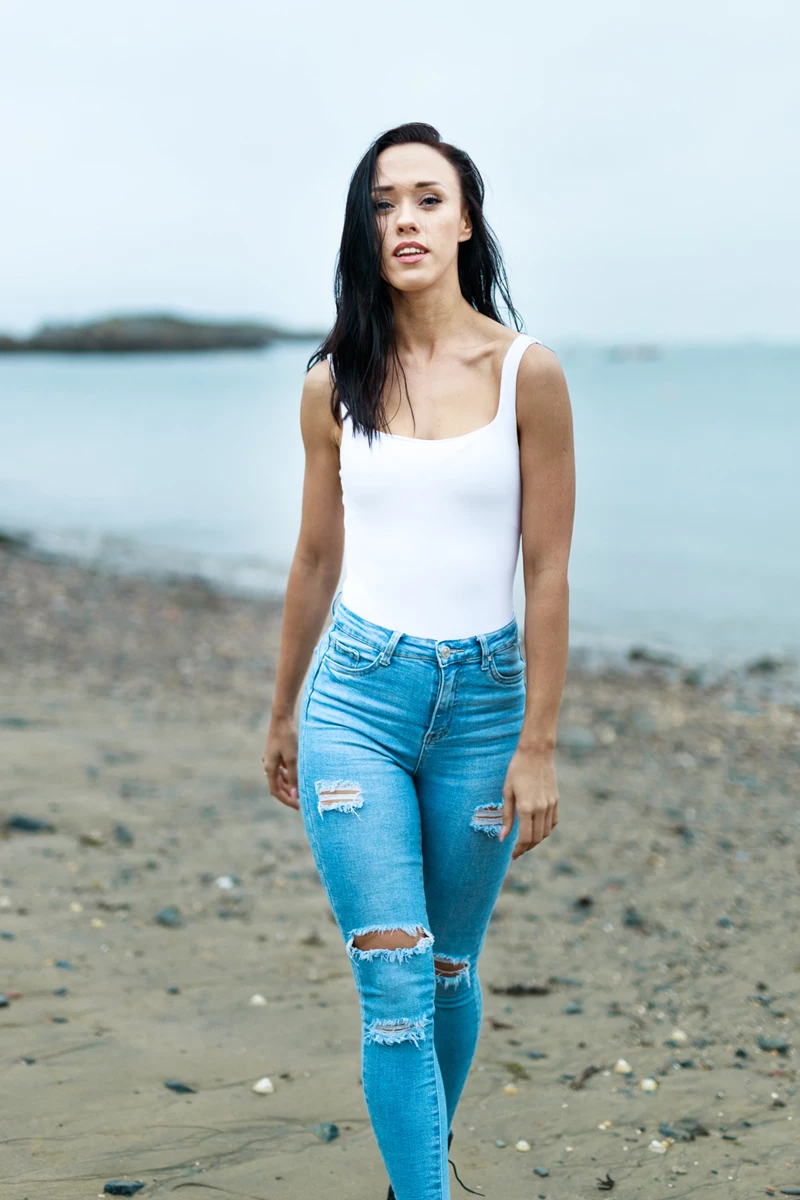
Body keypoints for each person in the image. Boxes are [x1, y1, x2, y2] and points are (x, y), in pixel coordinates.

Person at [263, 121, 575, 1200]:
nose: (405, 218)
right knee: (392, 982)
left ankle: (414, 1171)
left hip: (486, 712)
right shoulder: (331, 382)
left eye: (427, 199)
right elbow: (313, 556)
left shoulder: (526, 375)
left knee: (448, 971)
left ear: (464, 221)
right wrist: (281, 712)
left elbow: (544, 574)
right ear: (366, 228)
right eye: (384, 202)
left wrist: (539, 743)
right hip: (356, 697)